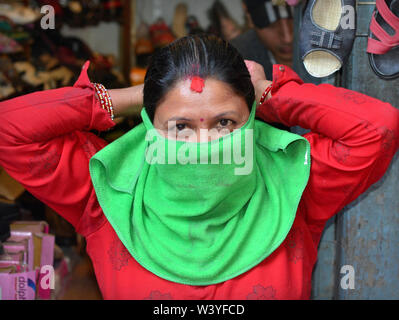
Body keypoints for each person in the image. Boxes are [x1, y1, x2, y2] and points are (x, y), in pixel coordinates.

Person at [0, 34, 398, 300]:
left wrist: (269, 92)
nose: (204, 146)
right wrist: (136, 95)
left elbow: (378, 128)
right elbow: (8, 130)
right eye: (181, 126)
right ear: (149, 126)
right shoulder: (107, 193)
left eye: (225, 122)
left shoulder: (293, 183)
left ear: (252, 119)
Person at [230, 0, 294, 79]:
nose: (288, 38)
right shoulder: (236, 62)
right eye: (271, 25)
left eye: (294, 21)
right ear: (249, 18)